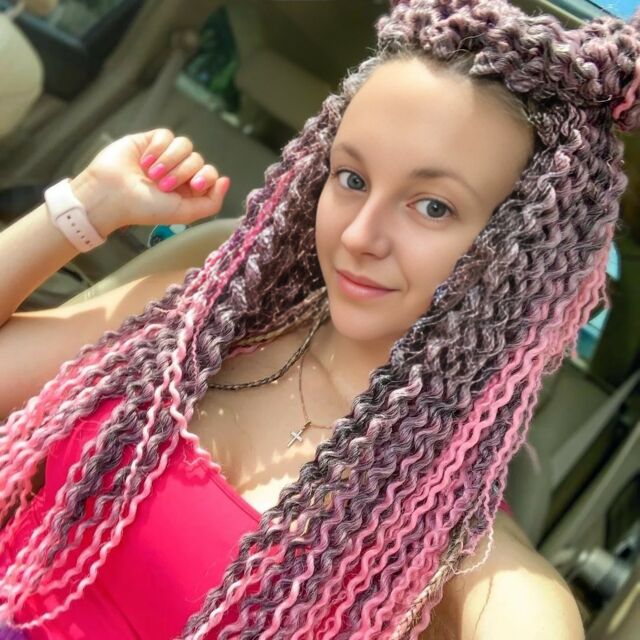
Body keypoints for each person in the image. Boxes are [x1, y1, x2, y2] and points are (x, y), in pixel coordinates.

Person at [1, 0, 638, 636]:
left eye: (433, 207)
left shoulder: (448, 543)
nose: (359, 236)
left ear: (520, 253)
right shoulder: (207, 314)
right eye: (352, 179)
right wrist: (85, 206)